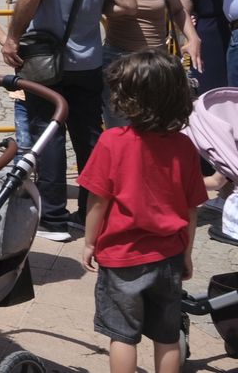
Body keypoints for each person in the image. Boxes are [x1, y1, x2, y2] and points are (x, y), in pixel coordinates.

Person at [3, 0, 136, 242]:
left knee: (48, 133)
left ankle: (54, 217)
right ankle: (91, 212)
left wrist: (13, 36)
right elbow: (127, 4)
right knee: (89, 135)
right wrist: (96, 9)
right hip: (88, 60)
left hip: (45, 61)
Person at [78, 51, 206, 373]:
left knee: (122, 335)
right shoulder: (185, 147)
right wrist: (187, 253)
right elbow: (192, 210)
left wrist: (90, 241)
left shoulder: (112, 142)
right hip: (168, 257)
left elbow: (97, 201)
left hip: (122, 257)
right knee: (167, 335)